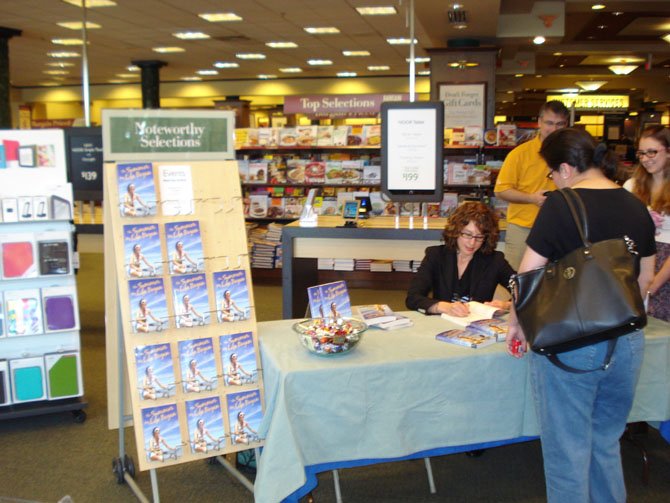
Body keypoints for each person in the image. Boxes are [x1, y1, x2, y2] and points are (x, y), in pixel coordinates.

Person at [505, 128, 656, 503]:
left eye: (551, 173)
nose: (552, 181)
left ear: (567, 168)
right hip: (628, 341)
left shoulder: (561, 204)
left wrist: (515, 324)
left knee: (566, 450)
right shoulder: (635, 204)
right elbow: (646, 279)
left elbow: (526, 276)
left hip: (572, 342)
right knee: (605, 442)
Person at [494, 100, 570, 269]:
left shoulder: (572, 154)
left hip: (562, 227)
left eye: (560, 124)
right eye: (549, 123)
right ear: (539, 122)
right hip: (523, 229)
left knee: (560, 281)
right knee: (517, 280)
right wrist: (532, 198)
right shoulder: (520, 154)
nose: (554, 129)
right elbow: (501, 190)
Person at [406, 201, 515, 316]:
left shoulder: (495, 260)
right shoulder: (436, 255)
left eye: (479, 237)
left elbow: (524, 291)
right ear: (456, 231)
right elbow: (413, 298)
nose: (472, 243)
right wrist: (443, 307)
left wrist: (507, 306)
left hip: (477, 325)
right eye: (467, 234)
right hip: (441, 322)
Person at [623, 125, 670, 321]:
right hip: (636, 258)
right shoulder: (631, 186)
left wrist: (655, 281)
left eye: (652, 152)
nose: (645, 158)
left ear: (668, 151)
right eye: (641, 153)